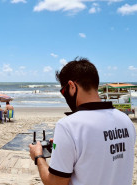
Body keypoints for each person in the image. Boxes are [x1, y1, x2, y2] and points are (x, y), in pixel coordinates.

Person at [29, 57, 136, 185]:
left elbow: (55, 182)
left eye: (64, 92)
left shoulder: (68, 126)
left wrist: (38, 157)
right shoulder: (126, 121)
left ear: (72, 86)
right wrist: (65, 148)